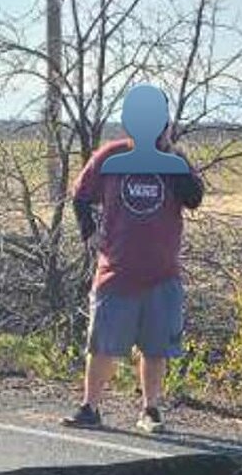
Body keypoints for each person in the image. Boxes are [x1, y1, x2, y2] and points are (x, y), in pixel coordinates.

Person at [63, 111, 204, 436]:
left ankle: (150, 410)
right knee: (101, 346)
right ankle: (90, 408)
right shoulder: (112, 156)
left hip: (161, 274)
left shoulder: (174, 162)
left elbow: (194, 198)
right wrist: (89, 232)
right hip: (116, 271)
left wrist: (170, 152)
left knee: (156, 348)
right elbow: (81, 194)